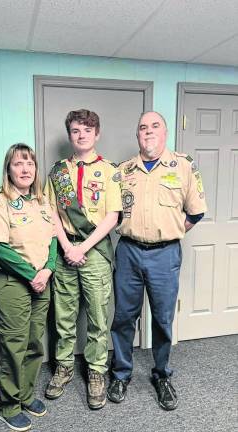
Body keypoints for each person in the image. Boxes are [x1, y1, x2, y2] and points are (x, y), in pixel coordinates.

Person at [107, 111, 207, 411]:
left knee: (163, 319)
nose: (148, 131)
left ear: (165, 133)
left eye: (155, 126)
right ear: (137, 135)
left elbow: (196, 212)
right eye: (142, 127)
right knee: (124, 317)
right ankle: (121, 373)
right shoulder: (123, 171)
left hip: (166, 254)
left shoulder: (184, 166)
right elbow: (111, 213)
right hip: (129, 251)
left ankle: (162, 375)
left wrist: (171, 232)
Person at [44, 109, 122, 409]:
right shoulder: (58, 172)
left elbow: (112, 217)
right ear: (70, 135)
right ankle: (63, 366)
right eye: (76, 130)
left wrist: (83, 247)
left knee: (97, 317)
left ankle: (96, 371)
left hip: (95, 252)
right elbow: (50, 212)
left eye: (87, 130)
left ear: (97, 134)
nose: (81, 135)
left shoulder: (110, 171)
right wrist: (66, 246)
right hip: (66, 250)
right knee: (63, 315)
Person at [0, 144, 57, 432]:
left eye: (30, 164)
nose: (25, 169)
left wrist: (48, 269)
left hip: (41, 279)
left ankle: (25, 394)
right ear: (8, 169)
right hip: (11, 282)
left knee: (35, 341)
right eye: (18, 164)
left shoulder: (40, 201)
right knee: (13, 344)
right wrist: (32, 274)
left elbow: (52, 239)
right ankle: (8, 404)